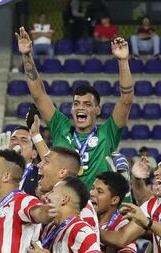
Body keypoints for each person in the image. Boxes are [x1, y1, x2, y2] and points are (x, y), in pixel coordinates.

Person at [16, 27, 133, 187]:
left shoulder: (108, 133)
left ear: (97, 110)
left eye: (87, 104)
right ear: (71, 109)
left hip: (94, 206)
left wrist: (123, 61)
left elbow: (126, 100)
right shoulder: (61, 128)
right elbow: (39, 95)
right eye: (76, 104)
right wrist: (27, 56)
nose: (80, 108)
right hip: (63, 204)